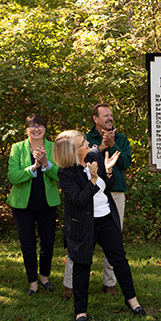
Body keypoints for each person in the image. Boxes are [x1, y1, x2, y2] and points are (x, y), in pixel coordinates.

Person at [53, 130, 145, 321]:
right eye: (83, 143)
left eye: (85, 141)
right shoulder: (66, 173)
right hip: (83, 224)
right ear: (72, 151)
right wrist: (93, 179)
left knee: (119, 260)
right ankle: (80, 311)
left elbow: (109, 186)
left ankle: (132, 300)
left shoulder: (94, 156)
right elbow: (79, 201)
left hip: (106, 218)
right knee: (82, 265)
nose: (88, 144)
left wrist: (108, 171)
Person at [62, 103, 132, 300]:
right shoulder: (83, 139)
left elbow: (125, 163)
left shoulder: (121, 139)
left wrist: (113, 145)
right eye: (106, 115)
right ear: (95, 119)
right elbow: (77, 163)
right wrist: (100, 147)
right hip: (86, 193)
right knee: (79, 239)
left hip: (113, 194)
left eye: (111, 115)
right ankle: (70, 284)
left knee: (114, 240)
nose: (110, 118)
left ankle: (109, 283)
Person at [7, 115, 61, 296]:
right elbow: (13, 177)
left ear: (45, 129)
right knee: (28, 244)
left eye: (40, 125)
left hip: (47, 204)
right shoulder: (17, 148)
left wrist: (46, 164)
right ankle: (33, 282)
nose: (36, 129)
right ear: (26, 129)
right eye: (32, 126)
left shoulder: (54, 147)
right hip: (22, 206)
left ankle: (44, 277)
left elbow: (60, 176)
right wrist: (33, 167)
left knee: (48, 242)